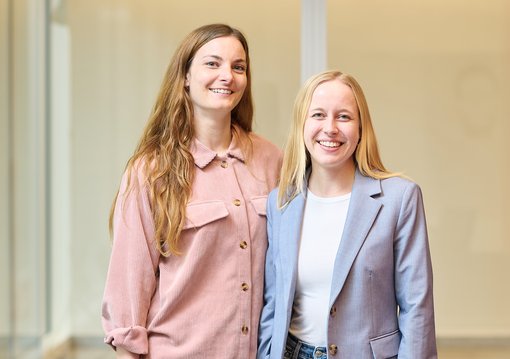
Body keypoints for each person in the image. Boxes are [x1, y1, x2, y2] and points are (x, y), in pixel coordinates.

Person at [102, 23, 282, 359]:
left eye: (238, 67)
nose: (227, 75)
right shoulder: (150, 170)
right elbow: (128, 286)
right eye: (212, 64)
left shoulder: (273, 161)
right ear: (185, 76)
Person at [257, 70, 437, 359]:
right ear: (302, 125)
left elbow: (418, 308)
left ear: (361, 129)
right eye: (318, 115)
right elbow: (273, 303)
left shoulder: (399, 199)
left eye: (343, 116)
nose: (330, 128)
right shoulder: (280, 203)